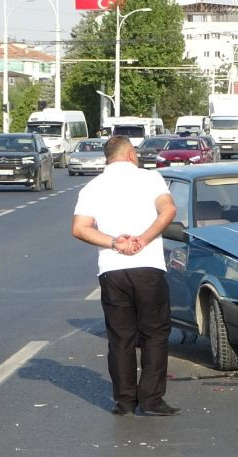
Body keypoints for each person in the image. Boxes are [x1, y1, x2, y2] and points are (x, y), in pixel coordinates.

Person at [71, 136, 180, 417]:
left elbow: (80, 228)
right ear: (131, 154)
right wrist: (142, 239)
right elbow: (168, 210)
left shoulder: (92, 188)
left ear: (108, 158)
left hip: (112, 270)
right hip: (148, 267)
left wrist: (114, 243)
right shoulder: (150, 178)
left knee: (121, 338)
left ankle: (125, 402)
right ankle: (152, 400)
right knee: (155, 333)